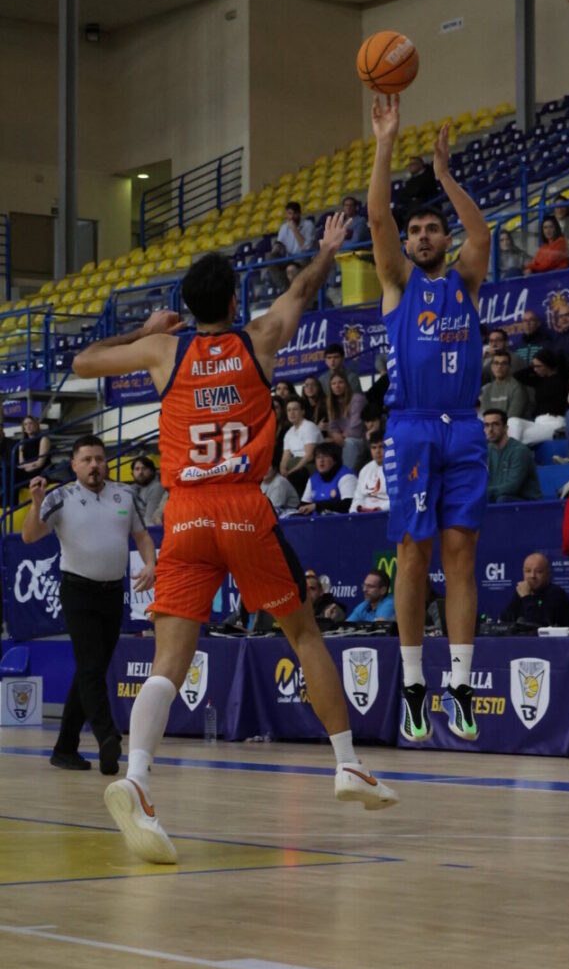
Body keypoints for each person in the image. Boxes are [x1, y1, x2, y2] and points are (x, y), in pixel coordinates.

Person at [71, 215, 398, 863]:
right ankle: (347, 762)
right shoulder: (259, 339)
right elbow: (301, 291)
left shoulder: (167, 352)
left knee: (169, 661)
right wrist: (328, 250)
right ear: (231, 302)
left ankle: (137, 776)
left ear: (188, 310)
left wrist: (148, 329)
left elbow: (83, 362)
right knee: (302, 632)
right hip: (243, 506)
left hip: (184, 513)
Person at [368, 93, 490, 743]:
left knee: (461, 554)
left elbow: (482, 235)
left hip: (464, 427)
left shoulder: (465, 280)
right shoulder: (397, 283)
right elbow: (378, 216)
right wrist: (386, 141)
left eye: (429, 230)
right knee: (413, 556)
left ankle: (460, 684)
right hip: (412, 426)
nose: (420, 237)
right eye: (416, 232)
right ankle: (414, 684)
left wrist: (445, 177)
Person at [21, 435, 156, 774]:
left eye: (99, 458)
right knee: (92, 666)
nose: (95, 465)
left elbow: (141, 536)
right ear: (75, 465)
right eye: (87, 460)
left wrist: (151, 565)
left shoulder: (125, 494)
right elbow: (29, 536)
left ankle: (65, 748)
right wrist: (37, 503)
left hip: (113, 593)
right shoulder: (60, 496)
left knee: (89, 668)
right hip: (77, 591)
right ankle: (107, 736)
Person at [509, 349, 569, 445]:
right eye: (534, 366)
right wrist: (533, 366)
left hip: (555, 422)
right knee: (513, 421)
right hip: (537, 422)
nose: (535, 369)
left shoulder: (563, 380)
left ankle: (508, 454)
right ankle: (512, 452)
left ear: (548, 365)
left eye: (538, 366)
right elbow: (517, 375)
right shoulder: (539, 380)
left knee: (522, 435)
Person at [500, 553, 569, 629]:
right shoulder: (522, 592)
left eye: (538, 571)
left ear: (548, 574)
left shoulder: (556, 593)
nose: (532, 575)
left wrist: (527, 597)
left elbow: (539, 625)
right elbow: (504, 620)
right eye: (528, 571)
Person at [483, 409, 542, 502]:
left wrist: (482, 492)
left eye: (495, 424)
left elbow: (512, 487)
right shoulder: (487, 450)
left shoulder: (519, 451)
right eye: (486, 425)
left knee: (502, 499)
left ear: (505, 428)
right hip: (499, 497)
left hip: (528, 504)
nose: (490, 430)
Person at [297, 440, 357, 515]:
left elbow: (348, 505)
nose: (321, 461)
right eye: (318, 457)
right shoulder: (313, 478)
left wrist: (317, 506)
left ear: (335, 460)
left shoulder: (347, 476)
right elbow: (304, 504)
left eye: (325, 456)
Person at [323, 371, 367, 469]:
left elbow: (356, 428)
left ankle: (347, 475)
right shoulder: (331, 402)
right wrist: (335, 435)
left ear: (346, 384)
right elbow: (332, 427)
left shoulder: (357, 399)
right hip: (342, 439)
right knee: (323, 444)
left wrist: (339, 437)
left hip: (360, 439)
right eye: (333, 384)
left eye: (340, 382)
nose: (337, 386)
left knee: (349, 443)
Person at [280, 396, 322, 496]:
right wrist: (283, 470)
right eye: (289, 410)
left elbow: (309, 455)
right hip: (294, 465)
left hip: (310, 465)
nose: (291, 413)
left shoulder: (309, 427)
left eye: (295, 409)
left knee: (296, 475)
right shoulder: (289, 433)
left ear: (302, 411)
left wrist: (291, 471)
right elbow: (285, 456)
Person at [478, 350, 529, 419]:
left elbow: (513, 417)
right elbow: (485, 415)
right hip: (489, 426)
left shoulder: (517, 388)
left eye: (504, 363)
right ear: (491, 366)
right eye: (496, 363)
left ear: (510, 367)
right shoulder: (486, 389)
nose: (499, 367)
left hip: (509, 427)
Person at [350, 432, 389, 513]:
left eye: (381, 447)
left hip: (386, 513)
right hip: (365, 516)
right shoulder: (365, 470)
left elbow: (398, 499)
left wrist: (380, 509)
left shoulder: (396, 468)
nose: (377, 451)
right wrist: (354, 511)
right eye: (374, 448)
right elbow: (358, 497)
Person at [395, 154, 439, 224]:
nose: (410, 167)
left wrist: (413, 197)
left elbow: (421, 190)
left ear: (420, 164)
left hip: (427, 203)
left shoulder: (428, 175)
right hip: (412, 205)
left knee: (415, 205)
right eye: (409, 165)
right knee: (395, 212)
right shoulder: (409, 181)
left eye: (412, 164)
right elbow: (402, 196)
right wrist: (412, 198)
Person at [15, 414, 51, 490]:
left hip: (40, 471)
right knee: (9, 474)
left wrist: (27, 467)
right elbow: (21, 463)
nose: (28, 426)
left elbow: (40, 463)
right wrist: (27, 468)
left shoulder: (43, 439)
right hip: (27, 470)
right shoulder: (22, 442)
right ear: (24, 428)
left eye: (30, 423)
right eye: (25, 424)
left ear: (36, 425)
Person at [130, 456, 167, 525]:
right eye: (137, 469)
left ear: (152, 472)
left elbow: (149, 519)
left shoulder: (157, 487)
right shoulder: (132, 488)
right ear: (132, 473)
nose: (140, 472)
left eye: (144, 468)